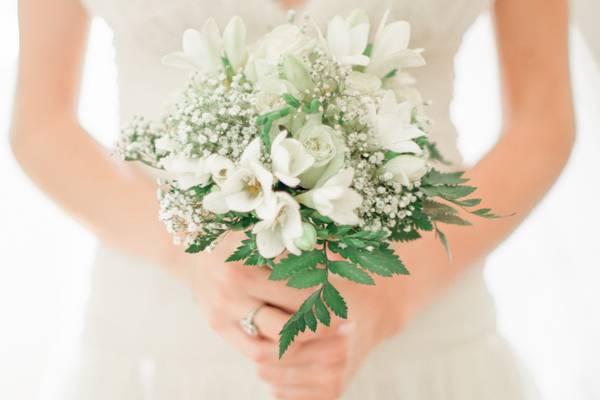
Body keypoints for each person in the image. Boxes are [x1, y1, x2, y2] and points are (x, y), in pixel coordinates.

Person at [10, 0, 574, 399]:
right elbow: (40, 123)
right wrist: (187, 253)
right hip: (162, 336)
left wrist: (395, 296)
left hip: (424, 323)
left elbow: (541, 121)